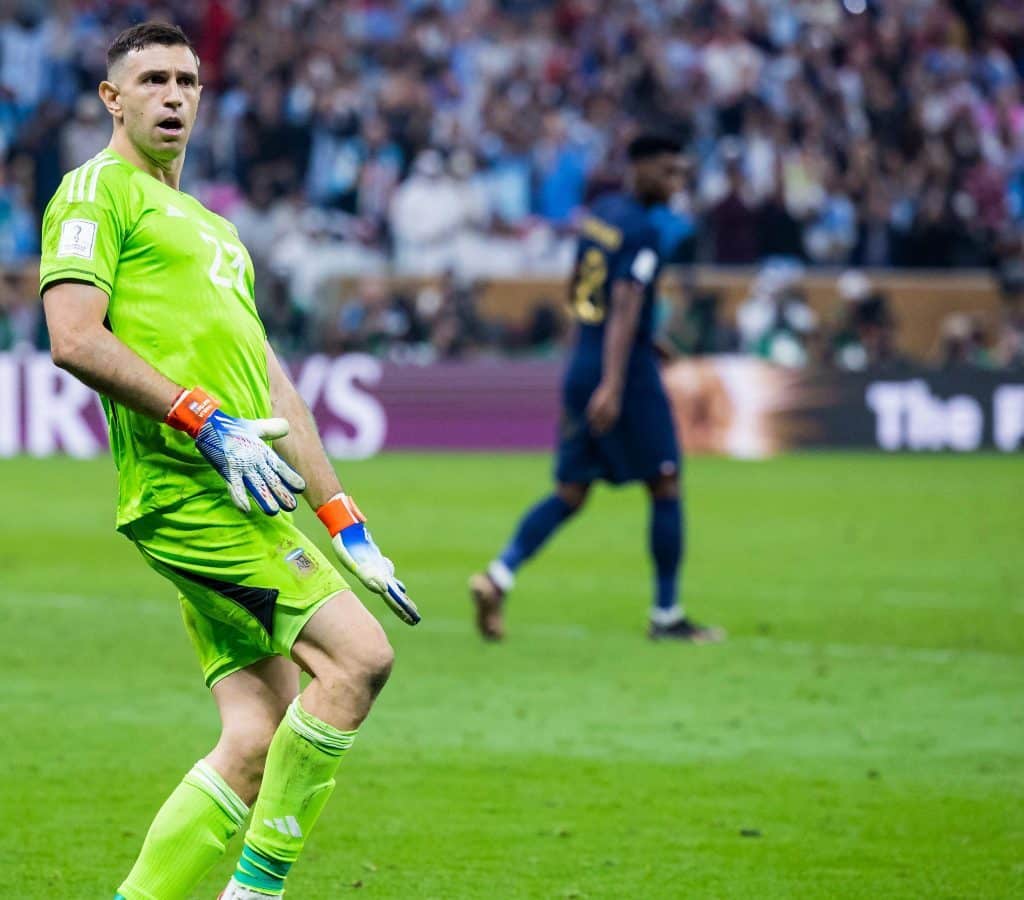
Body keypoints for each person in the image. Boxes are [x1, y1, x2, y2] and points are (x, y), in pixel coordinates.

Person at [38, 23, 419, 900]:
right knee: (359, 661)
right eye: (154, 80)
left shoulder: (214, 228)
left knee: (257, 738)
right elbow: (70, 336)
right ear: (113, 98)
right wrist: (201, 421)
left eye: (188, 81)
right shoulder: (95, 192)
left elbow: (272, 386)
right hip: (186, 490)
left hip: (250, 491)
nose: (174, 96)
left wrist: (344, 524)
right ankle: (256, 893)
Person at [469, 134, 723, 643]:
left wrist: (639, 342)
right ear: (642, 168)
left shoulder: (600, 215)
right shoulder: (645, 231)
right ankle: (667, 615)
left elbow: (581, 287)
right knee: (666, 482)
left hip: (584, 356)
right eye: (668, 172)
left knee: (571, 491)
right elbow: (627, 299)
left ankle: (498, 576)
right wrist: (613, 381)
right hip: (622, 371)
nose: (676, 184)